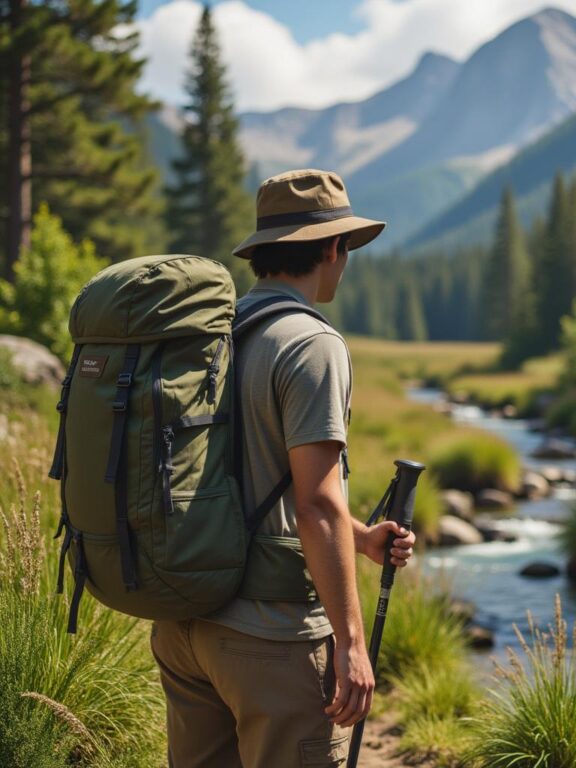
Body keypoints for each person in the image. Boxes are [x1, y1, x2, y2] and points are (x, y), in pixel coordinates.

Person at [151, 168, 416, 768]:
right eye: (345, 246)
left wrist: (362, 541)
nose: (344, 261)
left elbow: (245, 476)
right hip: (268, 634)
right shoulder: (311, 344)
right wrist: (351, 643)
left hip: (185, 622)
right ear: (330, 247)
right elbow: (317, 502)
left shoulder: (214, 334)